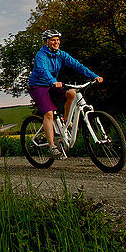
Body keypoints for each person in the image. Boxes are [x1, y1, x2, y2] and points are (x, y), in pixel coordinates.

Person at [27, 29, 103, 157]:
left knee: (72, 94)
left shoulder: (61, 54)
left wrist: (94, 76)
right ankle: (51, 146)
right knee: (49, 114)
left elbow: (78, 65)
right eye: (53, 40)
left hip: (52, 84)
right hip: (38, 86)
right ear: (46, 42)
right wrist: (53, 81)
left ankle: (66, 123)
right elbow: (42, 70)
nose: (56, 42)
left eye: (57, 40)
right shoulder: (41, 55)